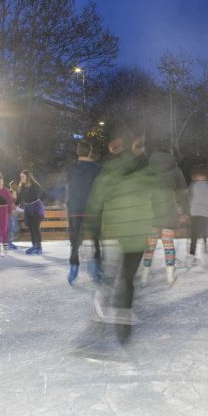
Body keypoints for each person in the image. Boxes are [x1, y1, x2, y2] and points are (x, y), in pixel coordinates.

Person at [81, 124, 156, 349]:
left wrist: (90, 233)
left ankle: (110, 320)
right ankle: (122, 324)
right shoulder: (145, 168)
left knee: (116, 278)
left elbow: (95, 203)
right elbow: (159, 194)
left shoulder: (110, 170)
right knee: (126, 279)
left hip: (117, 231)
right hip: (135, 231)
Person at [140, 140, 187, 286]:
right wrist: (186, 210)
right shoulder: (175, 168)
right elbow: (182, 192)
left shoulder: (147, 167)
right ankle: (170, 276)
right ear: (168, 152)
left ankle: (144, 275)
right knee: (168, 243)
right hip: (168, 208)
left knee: (150, 245)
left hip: (150, 210)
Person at [66, 141, 101, 284]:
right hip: (92, 209)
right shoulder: (97, 169)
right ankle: (97, 268)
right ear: (90, 152)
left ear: (78, 151)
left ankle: (74, 267)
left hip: (74, 208)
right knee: (95, 239)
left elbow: (67, 187)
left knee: (75, 241)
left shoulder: (70, 169)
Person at [187, 165, 208, 265]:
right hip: (205, 213)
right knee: (204, 231)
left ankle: (192, 254)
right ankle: (206, 248)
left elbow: (190, 198)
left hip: (195, 212)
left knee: (193, 234)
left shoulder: (193, 185)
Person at [17, 170, 44, 255]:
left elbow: (40, 195)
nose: (21, 178)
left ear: (27, 177)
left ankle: (39, 247)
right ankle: (34, 245)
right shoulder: (22, 187)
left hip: (35, 208)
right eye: (20, 177)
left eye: (23, 177)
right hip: (28, 208)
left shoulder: (35, 186)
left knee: (35, 227)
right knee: (31, 228)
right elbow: (19, 198)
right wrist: (14, 204)